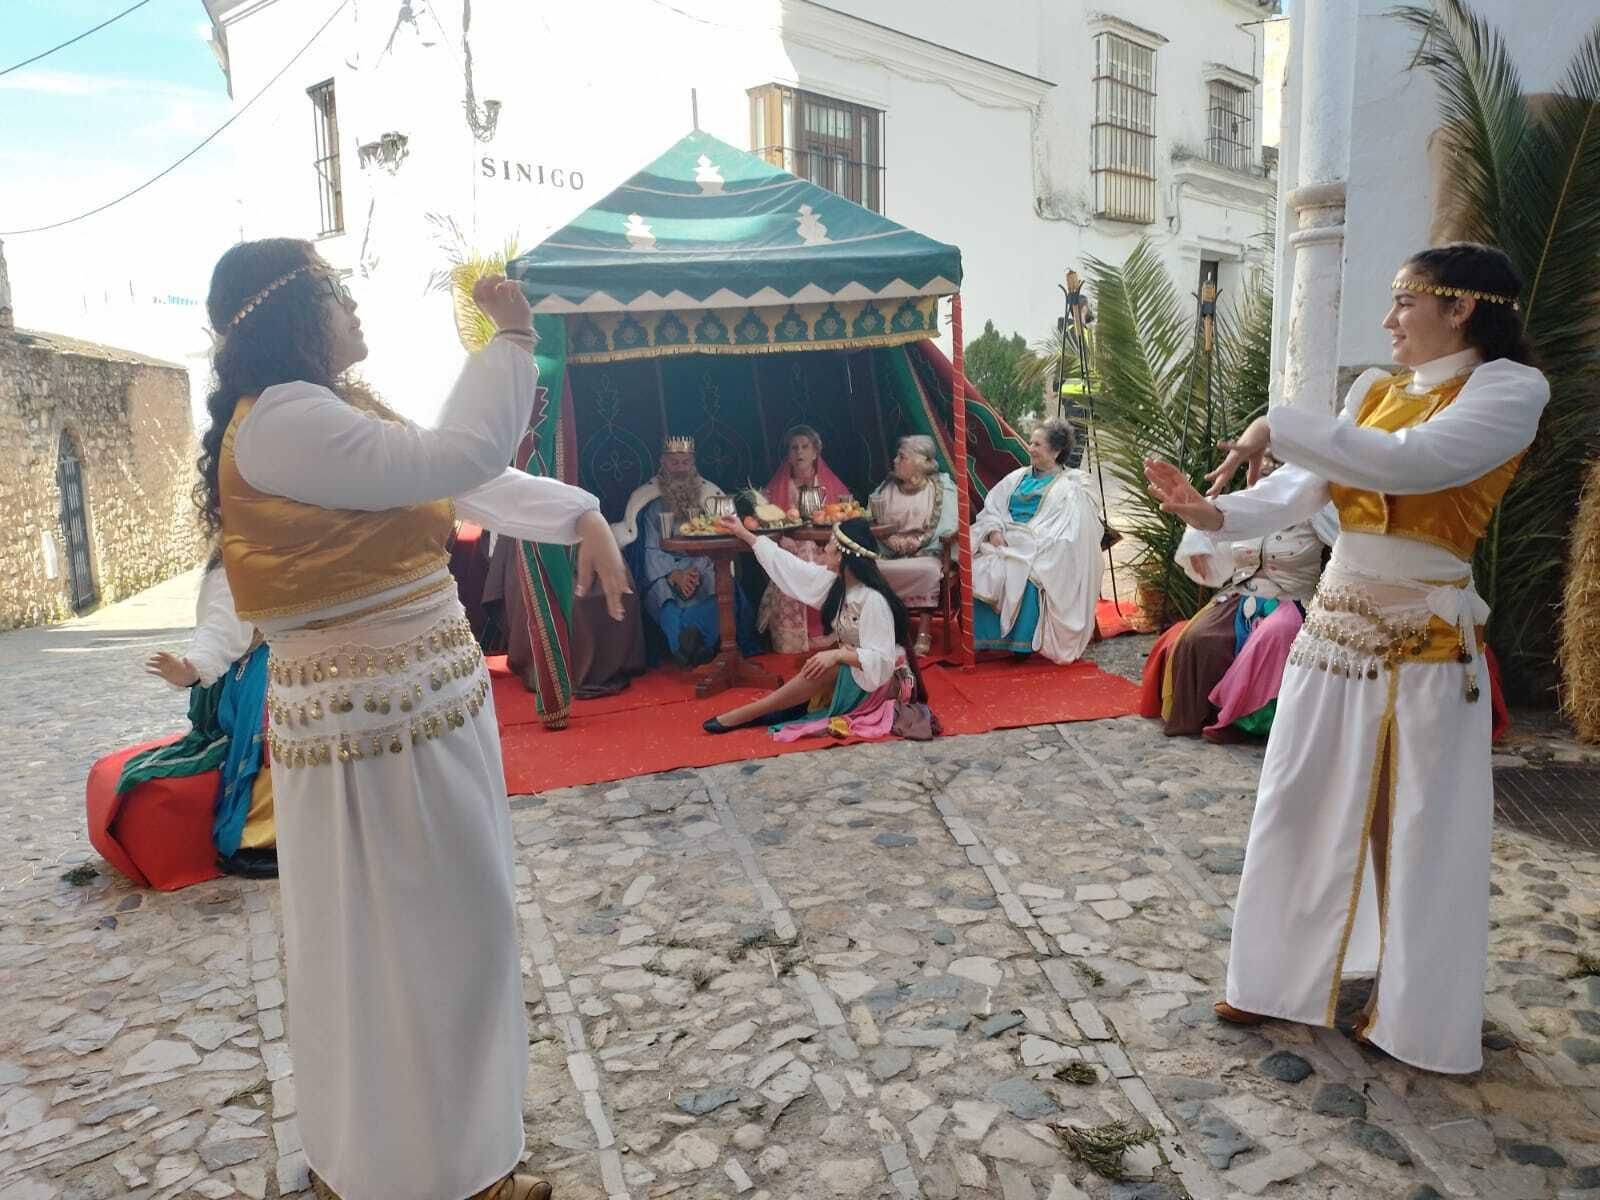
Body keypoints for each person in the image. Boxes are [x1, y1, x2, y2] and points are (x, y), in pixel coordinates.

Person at [198, 236, 629, 1200]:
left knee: (438, 941)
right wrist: (512, 339)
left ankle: (446, 1161)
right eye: (334, 291)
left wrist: (580, 513)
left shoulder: (322, 414)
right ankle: (425, 1174)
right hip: (377, 737)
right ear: (292, 313)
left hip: (410, 717)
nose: (354, 305)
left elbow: (452, 480)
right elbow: (464, 449)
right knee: (413, 951)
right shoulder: (288, 422)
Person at [1145, 242, 1549, 1074]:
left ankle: (1417, 1015)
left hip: (1425, 651)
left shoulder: (1510, 391)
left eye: (1405, 300)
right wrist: (1211, 515)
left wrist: (1277, 423)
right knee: (1294, 801)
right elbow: (1302, 490)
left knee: (1419, 828)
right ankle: (1272, 979)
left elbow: (1412, 464)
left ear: (1462, 306)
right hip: (1334, 638)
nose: (1389, 318)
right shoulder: (1374, 392)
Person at [1144, 471, 1337, 737]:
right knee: (1199, 638)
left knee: (1274, 634)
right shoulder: (1244, 510)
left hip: (1292, 600)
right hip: (1240, 597)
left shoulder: (1315, 511)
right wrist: (1196, 540)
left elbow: (1350, 541)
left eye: (1273, 463)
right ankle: (1195, 716)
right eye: (1259, 464)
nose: (1264, 469)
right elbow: (1212, 522)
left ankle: (1238, 722)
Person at [703, 517, 924, 741]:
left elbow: (882, 660)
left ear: (842, 557)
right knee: (821, 663)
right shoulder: (837, 586)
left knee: (827, 665)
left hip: (880, 683)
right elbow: (791, 567)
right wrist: (745, 534)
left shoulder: (873, 600)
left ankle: (747, 713)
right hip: (858, 672)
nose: (824, 549)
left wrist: (837, 654)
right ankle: (768, 710)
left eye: (829, 545)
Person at [125, 552, 277, 876]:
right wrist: (189, 671)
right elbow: (219, 629)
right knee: (274, 731)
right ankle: (254, 840)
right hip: (257, 677)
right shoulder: (234, 565)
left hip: (288, 659)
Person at [971, 418, 1104, 663]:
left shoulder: (1072, 486)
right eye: (1031, 442)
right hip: (1005, 540)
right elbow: (992, 508)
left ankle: (1021, 646)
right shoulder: (1016, 477)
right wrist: (993, 531)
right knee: (980, 565)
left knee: (1029, 571)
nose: (1030, 448)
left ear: (1055, 451)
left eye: (1037, 444)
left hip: (1043, 546)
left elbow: (1071, 530)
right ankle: (985, 639)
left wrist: (1033, 544)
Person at [614, 437, 725, 666]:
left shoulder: (709, 496)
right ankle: (689, 647)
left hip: (701, 564)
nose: (681, 469)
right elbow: (650, 549)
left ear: (693, 464)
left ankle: (689, 647)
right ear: (663, 463)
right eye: (675, 463)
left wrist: (694, 572)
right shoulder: (651, 503)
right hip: (664, 570)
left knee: (717, 586)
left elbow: (716, 540)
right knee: (663, 595)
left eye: (685, 462)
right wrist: (674, 575)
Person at [757, 424, 855, 652]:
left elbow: (845, 516)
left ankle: (824, 630)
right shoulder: (780, 485)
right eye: (794, 448)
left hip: (826, 544)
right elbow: (768, 521)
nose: (799, 452)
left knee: (819, 557)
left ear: (816, 451)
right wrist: (783, 540)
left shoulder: (829, 482)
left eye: (805, 446)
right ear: (788, 455)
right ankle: (797, 636)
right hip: (791, 545)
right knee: (799, 556)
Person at [870, 435, 959, 656]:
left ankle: (924, 630)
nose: (895, 460)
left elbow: (948, 525)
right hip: (887, 551)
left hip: (927, 551)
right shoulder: (886, 488)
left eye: (902, 457)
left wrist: (916, 543)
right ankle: (885, 630)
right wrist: (892, 541)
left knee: (928, 571)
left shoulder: (941, 488)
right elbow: (872, 519)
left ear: (920, 462)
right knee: (867, 568)